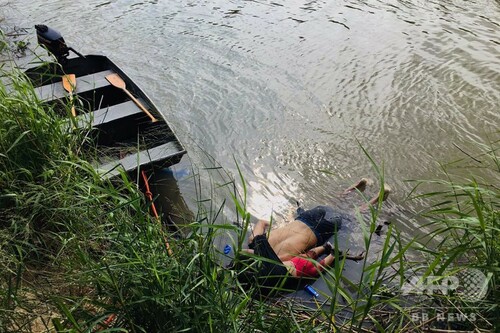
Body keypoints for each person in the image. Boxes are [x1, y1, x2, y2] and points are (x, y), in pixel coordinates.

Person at [246, 178, 391, 261]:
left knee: (352, 215)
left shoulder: (279, 260)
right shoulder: (254, 240)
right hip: (305, 218)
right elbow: (263, 222)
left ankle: (378, 198)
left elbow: (308, 255)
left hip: (319, 231)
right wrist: (281, 226)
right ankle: (359, 185)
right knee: (334, 202)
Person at [282, 242, 364, 278]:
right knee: (307, 255)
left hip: (298, 271)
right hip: (291, 262)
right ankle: (325, 247)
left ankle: (333, 254)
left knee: (318, 268)